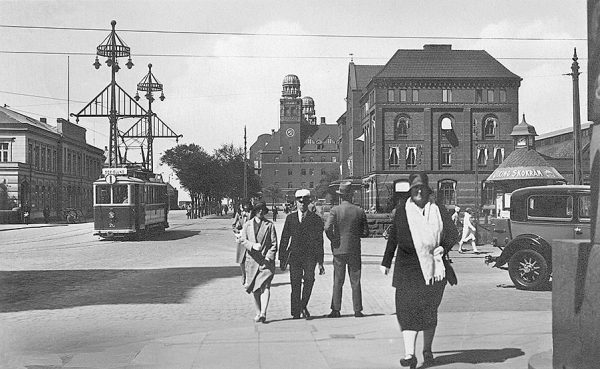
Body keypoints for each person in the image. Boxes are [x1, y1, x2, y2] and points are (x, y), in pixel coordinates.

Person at [380, 173, 459, 368]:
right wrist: (386, 261)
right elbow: (394, 237)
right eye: (415, 188)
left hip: (434, 269)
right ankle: (409, 355)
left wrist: (444, 247)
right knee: (406, 311)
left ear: (427, 190)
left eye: (422, 187)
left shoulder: (438, 209)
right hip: (407, 269)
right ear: (411, 190)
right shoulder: (402, 210)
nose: (419, 191)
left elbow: (453, 233)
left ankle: (427, 351)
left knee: (429, 311)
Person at [324, 181, 369, 318]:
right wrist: (355, 235)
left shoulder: (335, 210)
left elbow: (326, 227)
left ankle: (336, 310)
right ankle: (357, 310)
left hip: (339, 250)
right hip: (354, 249)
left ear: (340, 196)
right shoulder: (359, 211)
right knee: (355, 280)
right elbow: (366, 232)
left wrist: (334, 240)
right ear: (351, 195)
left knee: (338, 280)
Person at [279, 189, 325, 319]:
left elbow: (319, 241)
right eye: (300, 202)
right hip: (295, 256)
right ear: (296, 203)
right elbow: (284, 238)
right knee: (295, 283)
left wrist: (320, 262)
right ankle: (295, 312)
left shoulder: (316, 219)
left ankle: (303, 305)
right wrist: (282, 258)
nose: (302, 204)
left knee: (309, 280)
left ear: (308, 202)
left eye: (305, 202)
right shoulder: (290, 218)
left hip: (310, 256)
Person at [234, 201, 277, 323]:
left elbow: (274, 244)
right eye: (258, 210)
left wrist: (269, 257)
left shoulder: (269, 225)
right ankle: (258, 312)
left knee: (266, 286)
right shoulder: (247, 225)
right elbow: (242, 240)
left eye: (262, 210)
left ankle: (263, 312)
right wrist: (252, 246)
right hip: (252, 261)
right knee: (255, 289)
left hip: (266, 262)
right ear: (255, 211)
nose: (260, 212)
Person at [233, 200, 253, 285]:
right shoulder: (239, 214)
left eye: (247, 205)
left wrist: (248, 216)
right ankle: (243, 275)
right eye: (244, 205)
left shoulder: (252, 213)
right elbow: (233, 225)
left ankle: (250, 277)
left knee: (250, 258)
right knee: (241, 259)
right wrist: (236, 230)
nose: (245, 206)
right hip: (241, 238)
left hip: (250, 239)